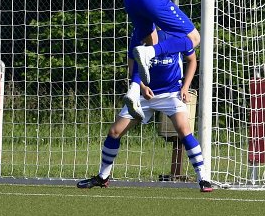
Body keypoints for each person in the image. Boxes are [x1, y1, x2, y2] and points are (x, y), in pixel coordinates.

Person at [77, 28, 214, 192]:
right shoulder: (139, 32)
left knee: (184, 130)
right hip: (144, 95)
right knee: (114, 131)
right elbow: (132, 62)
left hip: (171, 94)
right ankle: (103, 177)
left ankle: (203, 179)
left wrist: (185, 86)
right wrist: (141, 87)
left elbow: (192, 60)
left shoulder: (176, 32)